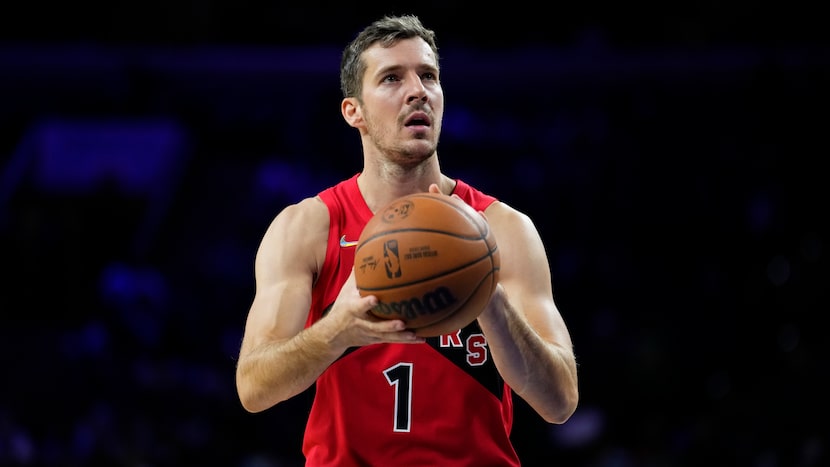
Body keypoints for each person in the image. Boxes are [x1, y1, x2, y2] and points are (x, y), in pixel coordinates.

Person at [235, 14, 579, 466]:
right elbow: (254, 388)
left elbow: (559, 402)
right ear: (352, 111)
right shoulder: (308, 227)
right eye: (392, 78)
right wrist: (337, 331)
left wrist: (488, 295)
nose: (418, 90)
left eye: (429, 76)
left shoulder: (504, 228)